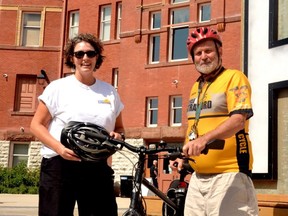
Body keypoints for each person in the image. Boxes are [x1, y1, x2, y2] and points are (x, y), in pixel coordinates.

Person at [30, 33, 124, 216]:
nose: (85, 58)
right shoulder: (58, 88)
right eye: (79, 54)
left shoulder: (110, 92)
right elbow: (36, 125)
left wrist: (118, 136)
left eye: (90, 53)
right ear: (72, 58)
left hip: (96, 166)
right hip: (59, 165)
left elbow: (119, 129)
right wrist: (59, 148)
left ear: (97, 57)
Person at [172, 26, 259, 216]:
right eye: (198, 53)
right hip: (198, 178)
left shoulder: (234, 78)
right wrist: (184, 156)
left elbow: (238, 120)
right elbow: (194, 127)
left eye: (208, 51)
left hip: (229, 175)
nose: (203, 56)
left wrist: (204, 140)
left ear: (219, 51)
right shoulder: (197, 86)